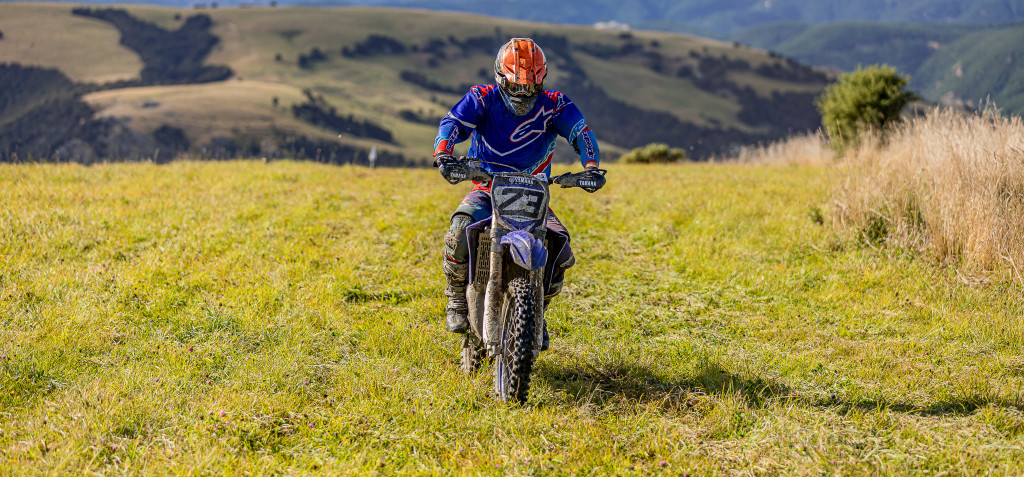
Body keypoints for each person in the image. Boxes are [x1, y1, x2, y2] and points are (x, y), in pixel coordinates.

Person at [433, 37, 602, 334]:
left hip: (533, 195)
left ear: (542, 80)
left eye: (531, 87)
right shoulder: (482, 97)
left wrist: (591, 168)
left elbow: (581, 133)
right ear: (500, 77)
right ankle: (456, 298)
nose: (523, 93)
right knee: (459, 229)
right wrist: (443, 154)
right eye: (515, 86)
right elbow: (453, 124)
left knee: (560, 249)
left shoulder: (556, 105)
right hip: (487, 189)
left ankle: (538, 310)